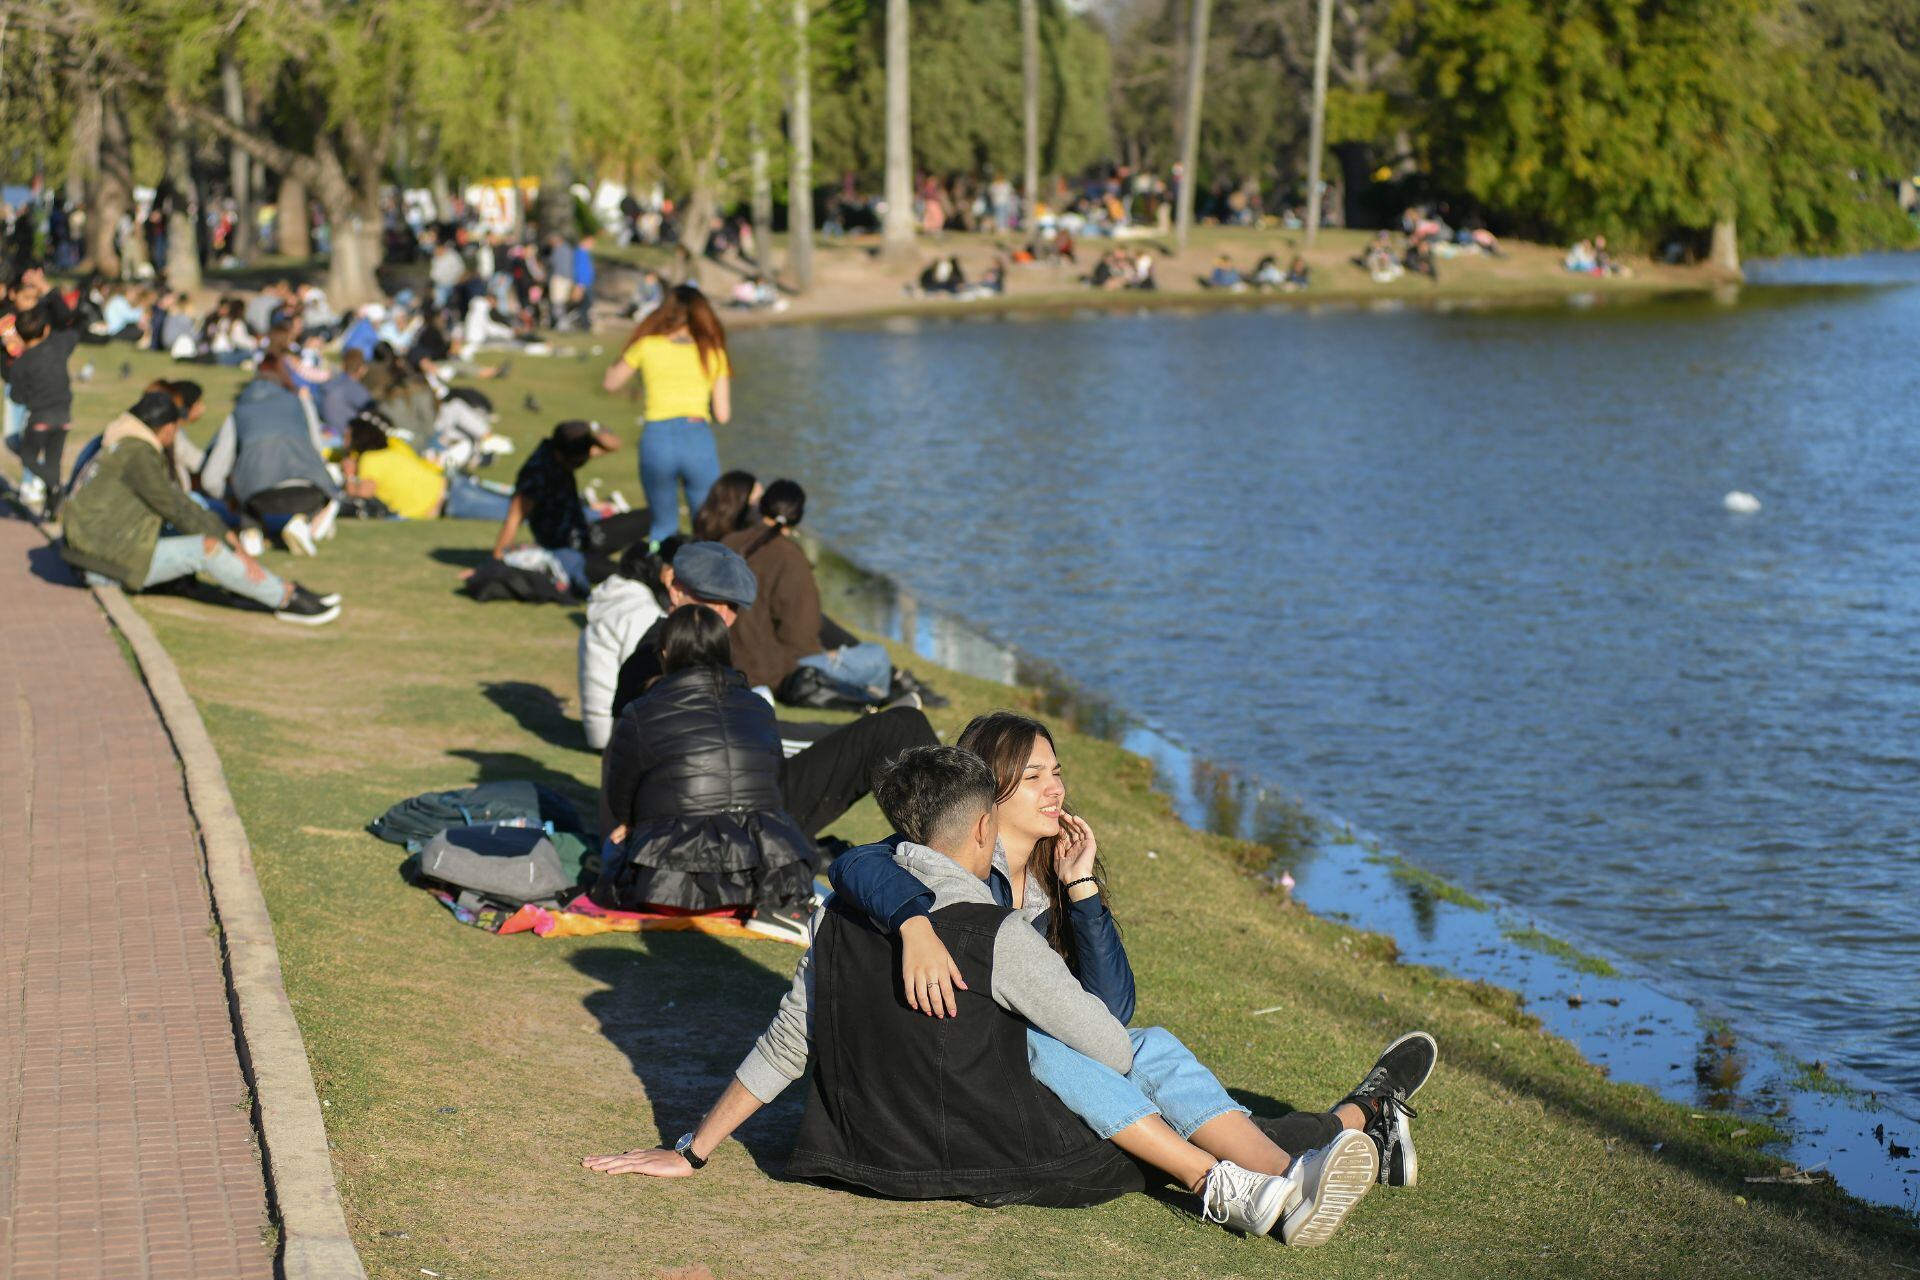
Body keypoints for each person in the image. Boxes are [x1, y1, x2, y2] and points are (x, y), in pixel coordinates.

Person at [584, 744, 1423, 1248]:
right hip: (1000, 1156)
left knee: (1108, 1065)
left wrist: (693, 1149)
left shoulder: (839, 917)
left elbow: (785, 1045)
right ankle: (1320, 1148)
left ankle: (1356, 1129)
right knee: (1146, 1065)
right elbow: (1110, 1045)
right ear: (983, 827)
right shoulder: (996, 935)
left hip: (873, 1155)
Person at [832, 713, 1436, 1193]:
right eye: (1034, 776)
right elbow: (857, 861)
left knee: (1161, 1066)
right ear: (986, 791)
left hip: (1053, 1071)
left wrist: (1081, 890)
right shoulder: (949, 859)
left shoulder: (1047, 881)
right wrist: (913, 924)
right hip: (995, 1084)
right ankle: (1355, 1123)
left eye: (1056, 772)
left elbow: (1111, 1009)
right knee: (1150, 1071)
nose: (1056, 789)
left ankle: (1349, 1129)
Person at [603, 541, 939, 841]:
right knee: (896, 728)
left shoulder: (696, 650)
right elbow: (630, 762)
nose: (723, 616)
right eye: (711, 600)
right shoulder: (655, 658)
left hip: (742, 805)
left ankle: (948, 844)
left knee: (899, 726)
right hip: (730, 825)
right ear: (675, 588)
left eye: (731, 606)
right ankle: (951, 852)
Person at [592, 605, 819, 940]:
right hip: (764, 875)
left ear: (665, 653)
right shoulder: (760, 708)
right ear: (725, 651)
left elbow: (620, 799)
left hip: (669, 883)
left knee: (613, 846)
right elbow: (775, 784)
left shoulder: (641, 711)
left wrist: (630, 823)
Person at [59, 389, 339, 625]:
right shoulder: (138, 454)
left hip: (94, 547)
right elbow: (175, 507)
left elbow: (178, 504)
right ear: (168, 428)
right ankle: (284, 596)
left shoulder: (118, 442)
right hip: (103, 562)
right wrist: (230, 541)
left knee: (198, 511)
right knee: (207, 547)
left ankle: (246, 583)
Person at [723, 480, 894, 704]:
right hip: (771, 672)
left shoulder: (729, 542)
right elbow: (800, 635)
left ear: (762, 506)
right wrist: (823, 654)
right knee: (877, 657)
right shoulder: (790, 557)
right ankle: (875, 703)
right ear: (798, 517)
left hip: (727, 660)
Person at [601, 284, 731, 545]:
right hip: (697, 438)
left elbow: (611, 383)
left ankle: (658, 568)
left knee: (662, 526)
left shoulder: (647, 346)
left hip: (657, 438)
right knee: (707, 527)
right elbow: (723, 413)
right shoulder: (712, 352)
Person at [198, 355, 340, 556]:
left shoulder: (238, 413)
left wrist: (232, 497)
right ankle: (303, 521)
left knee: (247, 494)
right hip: (308, 492)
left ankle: (251, 531)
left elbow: (211, 478)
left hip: (257, 497)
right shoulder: (301, 404)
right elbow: (317, 450)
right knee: (329, 485)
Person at [488, 419, 620, 593]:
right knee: (626, 573)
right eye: (583, 457)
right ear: (566, 454)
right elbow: (514, 517)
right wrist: (494, 565)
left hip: (585, 532)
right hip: (563, 550)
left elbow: (613, 445)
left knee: (649, 516)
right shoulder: (536, 474)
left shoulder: (565, 449)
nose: (587, 458)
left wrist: (591, 428)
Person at [341, 412, 513, 521]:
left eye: (348, 436)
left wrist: (349, 475)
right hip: (451, 486)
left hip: (449, 500)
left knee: (514, 513)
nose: (344, 441)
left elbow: (363, 493)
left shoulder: (369, 460)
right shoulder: (392, 448)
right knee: (514, 506)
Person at [579, 540, 667, 751]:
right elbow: (635, 673)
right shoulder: (642, 611)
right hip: (614, 730)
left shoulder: (610, 595)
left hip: (596, 725)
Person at [8, 303, 82, 519]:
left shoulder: (21, 364)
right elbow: (73, 334)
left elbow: (16, 397)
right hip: (64, 415)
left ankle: (56, 487)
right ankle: (51, 510)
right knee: (53, 460)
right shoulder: (58, 346)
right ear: (46, 330)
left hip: (40, 417)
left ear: (19, 335)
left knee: (28, 458)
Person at [317, 348, 376, 440]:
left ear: (343, 365)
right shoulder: (355, 388)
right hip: (344, 437)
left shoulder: (329, 384)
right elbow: (373, 411)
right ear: (362, 369)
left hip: (325, 431)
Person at [690, 468, 761, 543]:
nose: (762, 505)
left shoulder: (699, 540)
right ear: (740, 504)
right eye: (758, 500)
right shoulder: (742, 545)